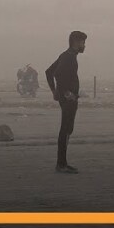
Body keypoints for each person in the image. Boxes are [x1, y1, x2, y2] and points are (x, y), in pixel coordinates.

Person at [46, 31, 87, 173]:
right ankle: (61, 164)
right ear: (76, 41)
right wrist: (65, 93)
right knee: (65, 130)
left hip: (70, 98)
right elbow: (57, 74)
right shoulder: (68, 57)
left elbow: (49, 72)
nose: (84, 45)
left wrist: (55, 91)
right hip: (69, 100)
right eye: (83, 42)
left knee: (68, 129)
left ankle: (62, 163)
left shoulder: (66, 55)